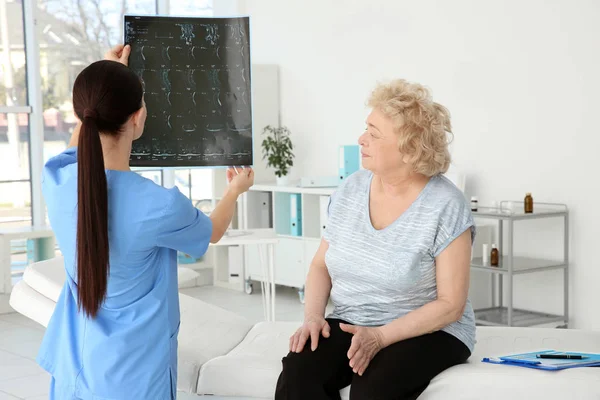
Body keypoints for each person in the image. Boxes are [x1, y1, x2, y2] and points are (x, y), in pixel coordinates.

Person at [36, 44, 254, 399]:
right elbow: (213, 232)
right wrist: (234, 191)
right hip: (135, 377)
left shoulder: (57, 181)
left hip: (74, 368)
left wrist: (105, 75)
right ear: (137, 118)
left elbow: (80, 137)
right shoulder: (159, 205)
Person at [275, 79, 476, 400]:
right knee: (300, 371)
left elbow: (451, 305)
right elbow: (320, 266)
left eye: (373, 133)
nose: (361, 139)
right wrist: (313, 317)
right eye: (365, 128)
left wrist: (381, 337)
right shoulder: (350, 190)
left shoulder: (446, 204)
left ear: (410, 148)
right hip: (352, 319)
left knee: (373, 389)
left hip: (430, 331)